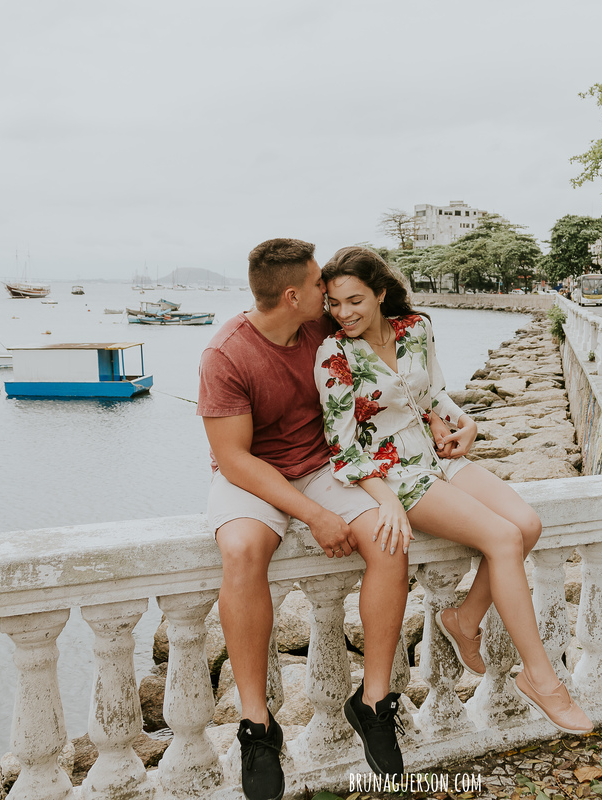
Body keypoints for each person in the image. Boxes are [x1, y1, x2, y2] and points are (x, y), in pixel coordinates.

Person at [314, 246, 593, 742]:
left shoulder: (415, 328)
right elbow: (343, 450)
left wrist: (465, 420)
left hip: (438, 456)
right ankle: (542, 678)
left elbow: (431, 393)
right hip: (394, 472)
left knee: (527, 524)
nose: (344, 313)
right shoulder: (334, 355)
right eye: (334, 304)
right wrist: (386, 500)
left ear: (380, 293)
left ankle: (464, 620)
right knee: (504, 539)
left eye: (354, 300)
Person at [198, 239, 409, 799]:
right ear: (292, 296)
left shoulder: (323, 328)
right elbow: (236, 457)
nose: (330, 294)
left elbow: (392, 373)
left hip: (323, 464)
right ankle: (258, 727)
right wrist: (313, 515)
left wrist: (443, 422)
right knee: (242, 551)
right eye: (320, 285)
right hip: (253, 476)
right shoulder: (226, 354)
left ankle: (374, 702)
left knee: (389, 543)